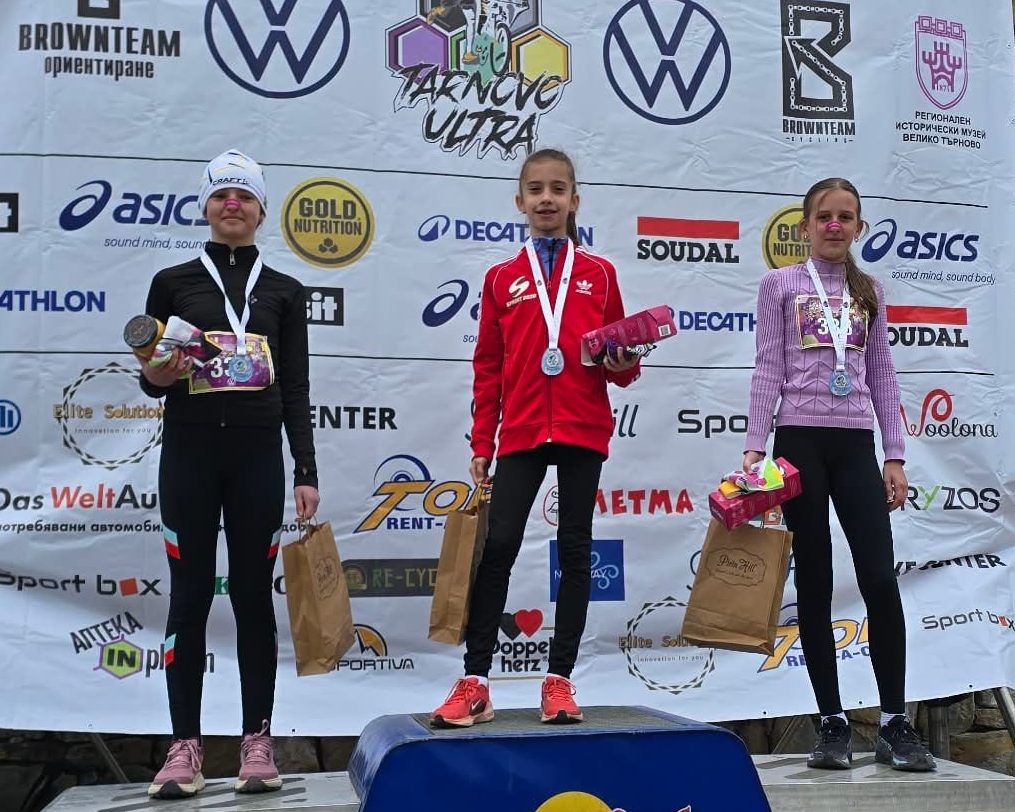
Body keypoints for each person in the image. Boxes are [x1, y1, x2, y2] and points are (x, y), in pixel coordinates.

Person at [430, 148, 641, 728]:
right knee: (497, 548)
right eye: (536, 189)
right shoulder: (501, 278)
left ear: (575, 200)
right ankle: (475, 682)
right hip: (521, 430)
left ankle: (559, 682)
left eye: (558, 189)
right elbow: (487, 366)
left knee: (575, 550)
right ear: (519, 201)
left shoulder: (600, 274)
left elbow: (620, 366)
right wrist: (482, 444)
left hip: (582, 426)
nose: (547, 198)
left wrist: (624, 359)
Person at [137, 150, 320, 798]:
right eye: (221, 195)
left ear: (262, 210)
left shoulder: (285, 291)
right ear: (206, 207)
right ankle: (183, 747)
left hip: (256, 461)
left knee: (251, 598)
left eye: (244, 196)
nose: (232, 204)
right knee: (188, 597)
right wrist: (158, 372)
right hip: (189, 458)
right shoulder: (172, 282)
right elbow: (152, 379)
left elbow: (295, 385)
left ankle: (257, 742)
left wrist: (305, 467)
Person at [743, 177, 934, 772]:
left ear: (857, 228)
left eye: (845, 217)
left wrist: (894, 455)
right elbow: (768, 366)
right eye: (823, 216)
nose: (833, 225)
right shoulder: (779, 284)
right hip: (798, 444)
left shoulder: (869, 289)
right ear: (803, 227)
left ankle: (895, 722)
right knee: (816, 583)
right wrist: (754, 449)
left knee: (879, 577)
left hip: (854, 446)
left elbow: (882, 373)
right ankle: (831, 723)